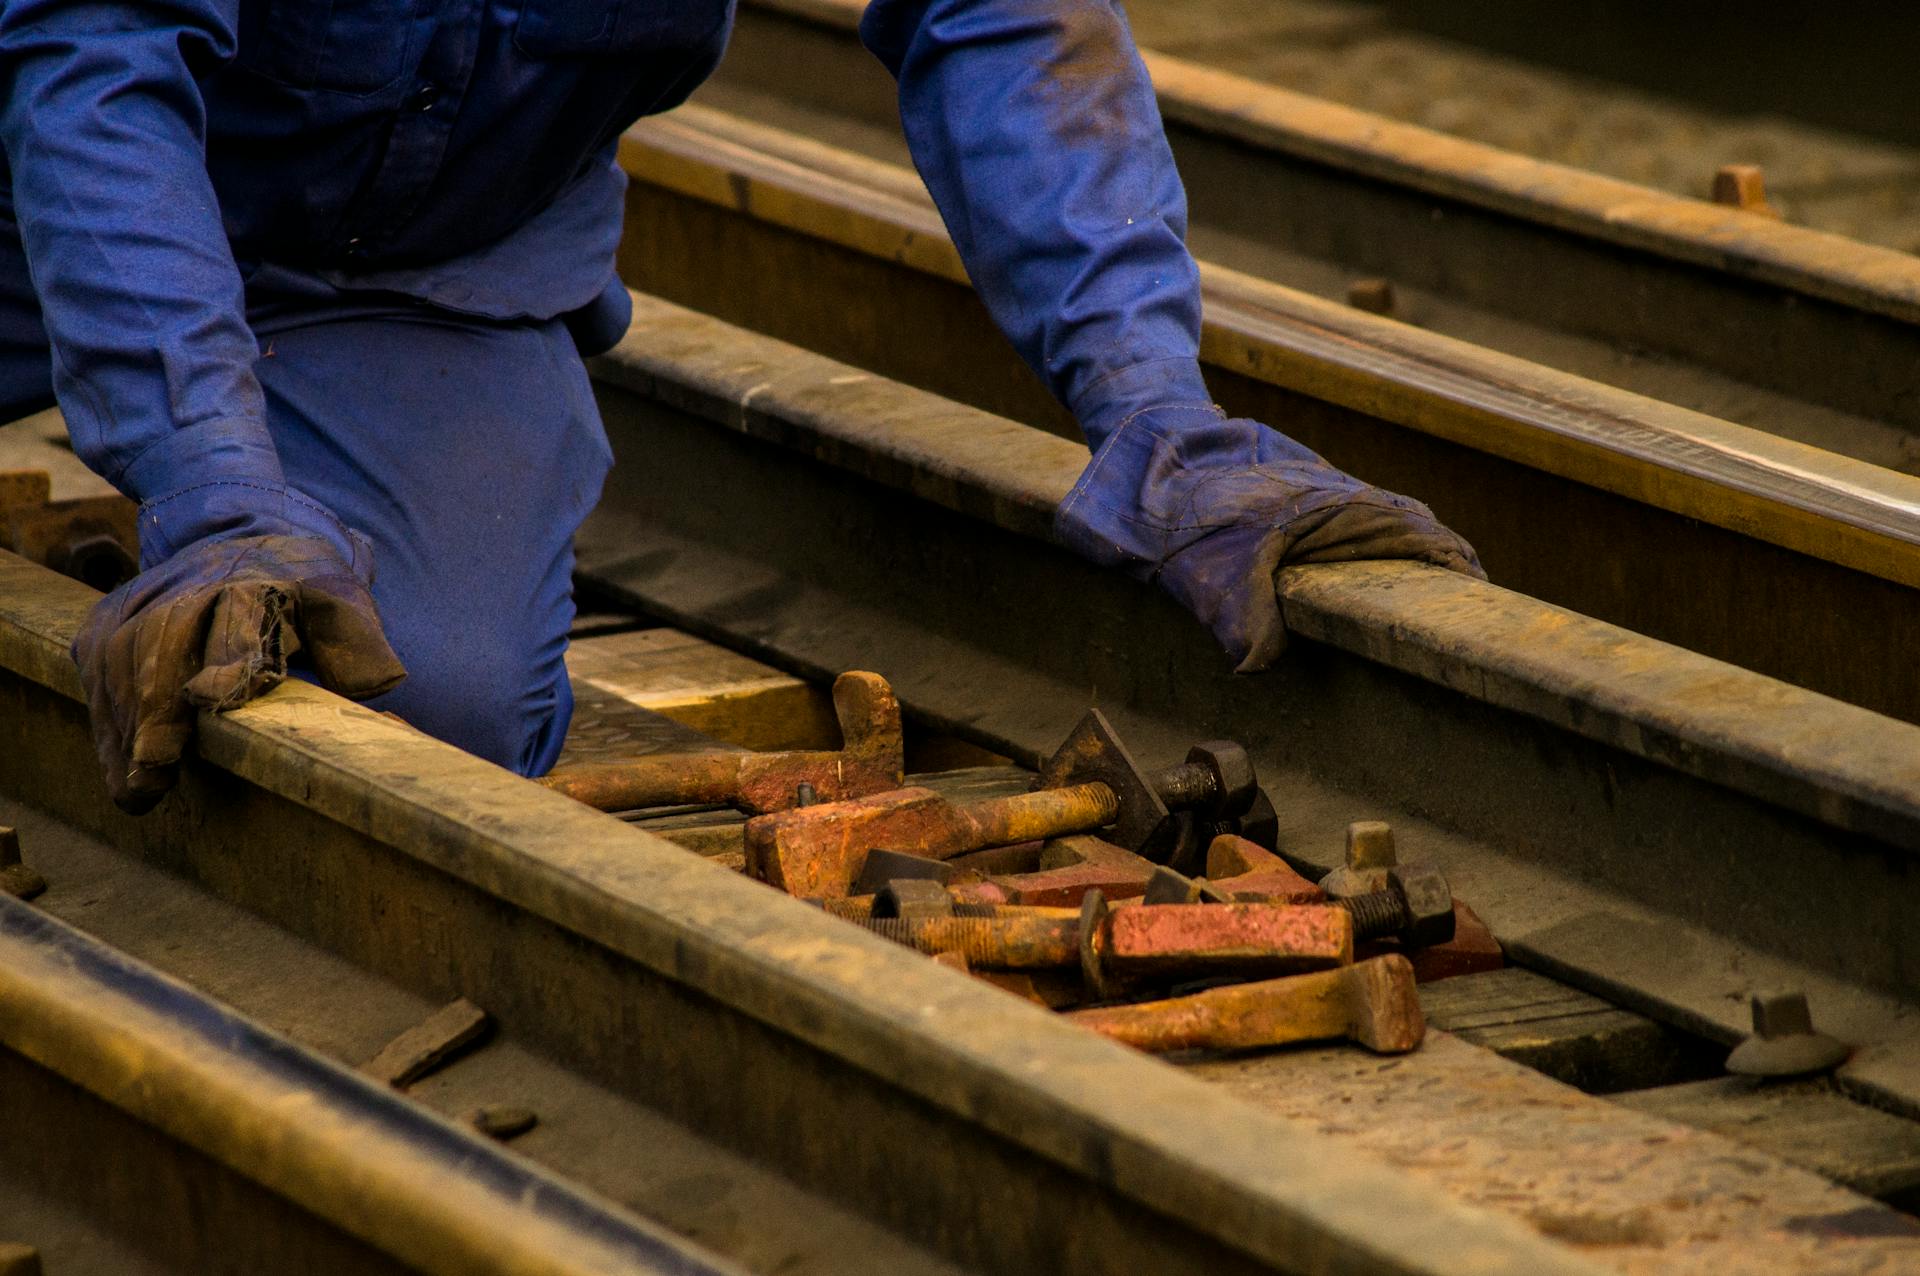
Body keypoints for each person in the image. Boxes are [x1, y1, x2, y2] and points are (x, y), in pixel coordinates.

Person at [0, 0, 1480, 815]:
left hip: (405, 269)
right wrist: (208, 478)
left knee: (412, 722)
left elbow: (1001, 14)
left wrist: (1151, 400)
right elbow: (93, 65)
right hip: (26, 194)